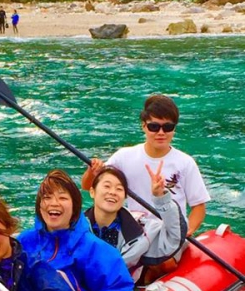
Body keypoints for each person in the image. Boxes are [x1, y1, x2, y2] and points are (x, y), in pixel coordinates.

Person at [81, 94, 210, 236]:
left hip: (170, 235)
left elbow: (198, 207)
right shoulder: (124, 157)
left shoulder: (185, 163)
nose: (161, 133)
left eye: (167, 127)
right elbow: (88, 186)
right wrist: (92, 172)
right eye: (154, 127)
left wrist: (184, 234)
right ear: (144, 126)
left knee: (165, 258)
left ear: (174, 129)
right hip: (135, 233)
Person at [18, 169, 134, 291]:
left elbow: (117, 284)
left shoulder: (91, 247)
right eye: (47, 197)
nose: (54, 203)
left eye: (62, 197)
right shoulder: (24, 241)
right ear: (39, 206)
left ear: (74, 208)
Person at [85, 164, 187, 282]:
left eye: (119, 189)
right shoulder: (73, 227)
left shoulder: (142, 230)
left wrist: (161, 198)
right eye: (107, 186)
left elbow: (173, 237)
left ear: (124, 197)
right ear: (92, 192)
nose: (112, 192)